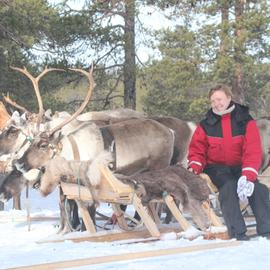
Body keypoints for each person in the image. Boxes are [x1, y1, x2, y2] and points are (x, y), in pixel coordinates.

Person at [187, 84, 270, 240]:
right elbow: (197, 150)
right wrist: (194, 166)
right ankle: (238, 232)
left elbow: (252, 149)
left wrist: (248, 175)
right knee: (229, 187)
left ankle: (267, 230)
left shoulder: (245, 120)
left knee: (258, 189)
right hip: (217, 168)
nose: (216, 104)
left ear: (229, 98)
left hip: (240, 166)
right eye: (213, 101)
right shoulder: (206, 124)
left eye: (219, 99)